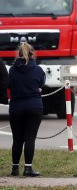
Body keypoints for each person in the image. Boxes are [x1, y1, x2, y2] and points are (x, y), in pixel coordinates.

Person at [8, 42, 45, 177]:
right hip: (34, 106)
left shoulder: (12, 70)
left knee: (17, 139)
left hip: (16, 106)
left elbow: (9, 84)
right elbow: (41, 83)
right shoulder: (38, 70)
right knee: (30, 138)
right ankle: (28, 169)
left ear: (18, 54)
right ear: (33, 54)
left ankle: (15, 168)